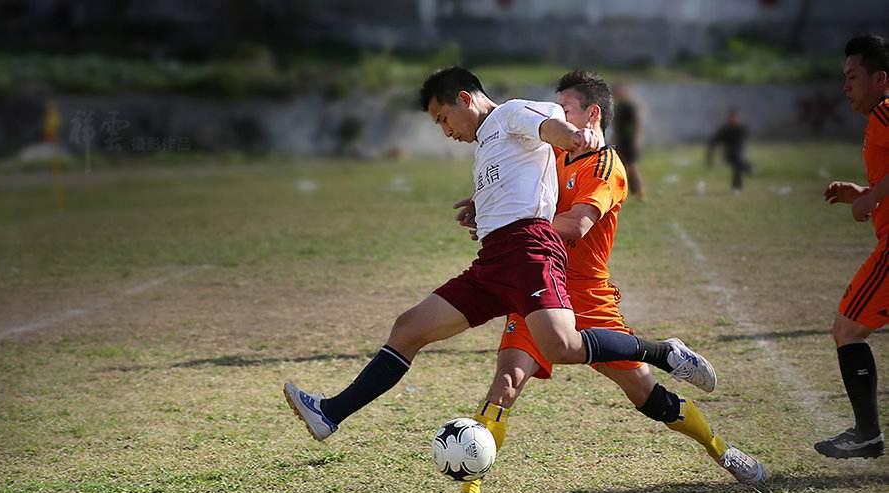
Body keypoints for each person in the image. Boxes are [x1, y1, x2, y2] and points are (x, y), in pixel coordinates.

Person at [283, 67, 716, 446]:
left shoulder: (511, 113)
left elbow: (550, 126)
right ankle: (330, 413)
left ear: (465, 99)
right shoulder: (487, 143)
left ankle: (663, 353)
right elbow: (520, 178)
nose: (445, 130)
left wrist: (574, 135)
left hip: (530, 251)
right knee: (409, 327)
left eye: (443, 118)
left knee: (563, 346)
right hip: (493, 261)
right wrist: (482, 206)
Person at [433, 71, 768, 493]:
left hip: (588, 297)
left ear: (592, 114)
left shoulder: (605, 167)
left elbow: (576, 226)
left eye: (565, 109)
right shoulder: (550, 151)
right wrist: (486, 208)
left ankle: (721, 449)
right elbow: (517, 187)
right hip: (536, 286)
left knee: (644, 393)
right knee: (506, 383)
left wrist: (513, 231)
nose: (555, 115)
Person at [815, 34, 889, 459]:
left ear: (880, 78)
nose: (846, 86)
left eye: (853, 76)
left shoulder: (886, 110)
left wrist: (872, 197)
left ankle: (867, 434)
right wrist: (863, 191)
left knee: (848, 329)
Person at [612, 83, 645, 200]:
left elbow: (636, 123)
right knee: (622, 167)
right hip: (621, 140)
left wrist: (636, 139)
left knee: (632, 167)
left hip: (629, 140)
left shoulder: (629, 106)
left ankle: (640, 192)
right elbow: (617, 127)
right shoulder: (619, 106)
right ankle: (625, 193)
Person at [707, 107, 753, 193]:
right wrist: (709, 160)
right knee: (738, 164)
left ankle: (737, 187)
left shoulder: (742, 129)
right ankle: (746, 171)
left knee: (738, 165)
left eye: (736, 117)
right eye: (733, 118)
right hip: (729, 155)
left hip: (739, 154)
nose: (735, 120)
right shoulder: (725, 130)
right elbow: (712, 143)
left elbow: (744, 144)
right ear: (729, 118)